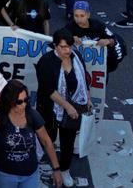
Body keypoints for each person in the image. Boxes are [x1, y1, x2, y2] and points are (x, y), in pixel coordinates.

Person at [0, 78, 63, 188]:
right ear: (10, 101)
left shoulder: (32, 115)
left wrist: (56, 169)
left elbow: (46, 141)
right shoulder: (1, 116)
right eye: (19, 101)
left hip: (30, 174)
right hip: (4, 174)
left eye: (26, 100)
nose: (23, 104)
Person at [40, 30, 88, 187]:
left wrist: (87, 96)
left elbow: (84, 79)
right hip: (51, 109)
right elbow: (49, 90)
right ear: (55, 46)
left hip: (73, 108)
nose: (67, 50)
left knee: (68, 141)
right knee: (47, 138)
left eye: (69, 47)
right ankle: (46, 164)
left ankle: (65, 169)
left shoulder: (77, 57)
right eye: (63, 47)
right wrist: (67, 107)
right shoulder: (46, 61)